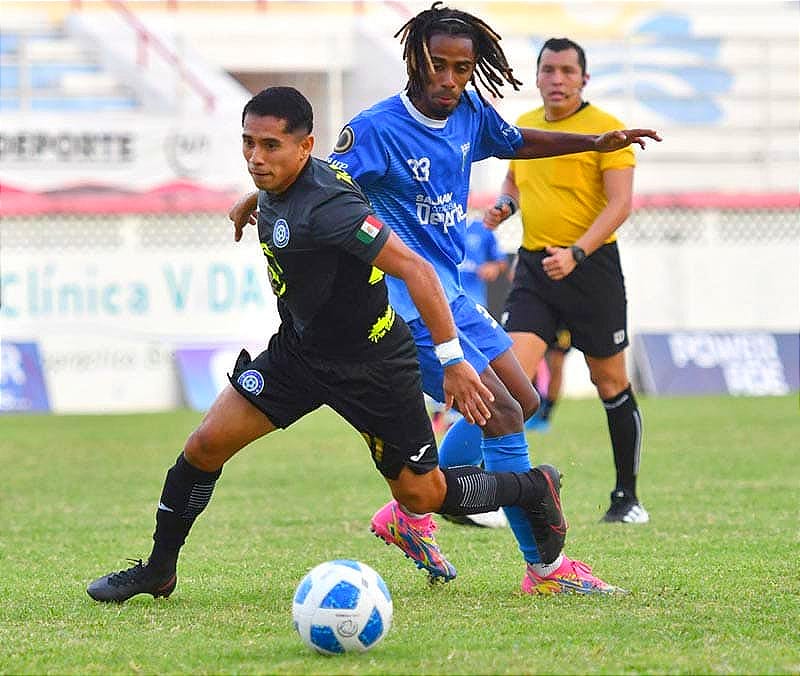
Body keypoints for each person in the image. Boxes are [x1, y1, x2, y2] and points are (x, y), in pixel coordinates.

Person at [230, 4, 658, 594]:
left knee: (524, 399)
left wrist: (592, 141)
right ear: (416, 61)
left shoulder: (471, 111)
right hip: (402, 300)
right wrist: (257, 197)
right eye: (439, 65)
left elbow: (514, 142)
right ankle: (548, 571)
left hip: (451, 289)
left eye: (463, 67)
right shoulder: (378, 128)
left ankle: (407, 517)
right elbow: (317, 174)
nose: (451, 80)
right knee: (503, 414)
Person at [484, 37, 650, 524]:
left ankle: (627, 498)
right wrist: (504, 206)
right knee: (508, 376)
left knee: (609, 382)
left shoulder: (606, 131)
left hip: (592, 269)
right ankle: (492, 493)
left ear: (584, 79)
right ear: (536, 77)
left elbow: (619, 204)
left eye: (566, 71)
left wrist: (577, 252)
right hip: (535, 268)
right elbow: (516, 180)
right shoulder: (527, 128)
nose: (557, 79)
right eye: (548, 70)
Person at [525, 328, 571, 433]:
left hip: (563, 323)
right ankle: (532, 410)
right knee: (531, 362)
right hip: (538, 318)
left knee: (556, 364)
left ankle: (545, 415)